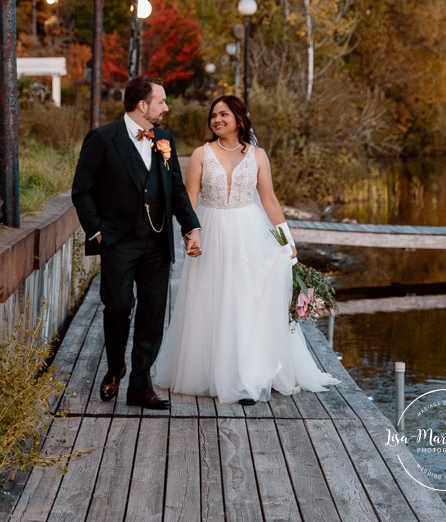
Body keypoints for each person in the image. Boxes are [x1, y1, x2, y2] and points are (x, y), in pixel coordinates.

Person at [153, 94, 339, 404]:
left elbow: (269, 200)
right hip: (211, 232)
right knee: (212, 300)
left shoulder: (258, 156)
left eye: (224, 114)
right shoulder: (201, 154)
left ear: (239, 119)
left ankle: (245, 377)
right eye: (214, 115)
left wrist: (287, 241)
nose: (217, 120)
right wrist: (190, 233)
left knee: (246, 300)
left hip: (249, 234)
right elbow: (189, 199)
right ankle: (212, 372)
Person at [72, 75, 202, 410]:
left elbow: (175, 189)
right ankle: (115, 367)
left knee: (153, 312)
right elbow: (82, 191)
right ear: (142, 105)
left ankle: (140, 386)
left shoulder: (165, 139)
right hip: (118, 240)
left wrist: (191, 226)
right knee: (117, 306)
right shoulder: (103, 138)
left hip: (157, 242)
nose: (166, 108)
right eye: (161, 101)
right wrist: (97, 232)